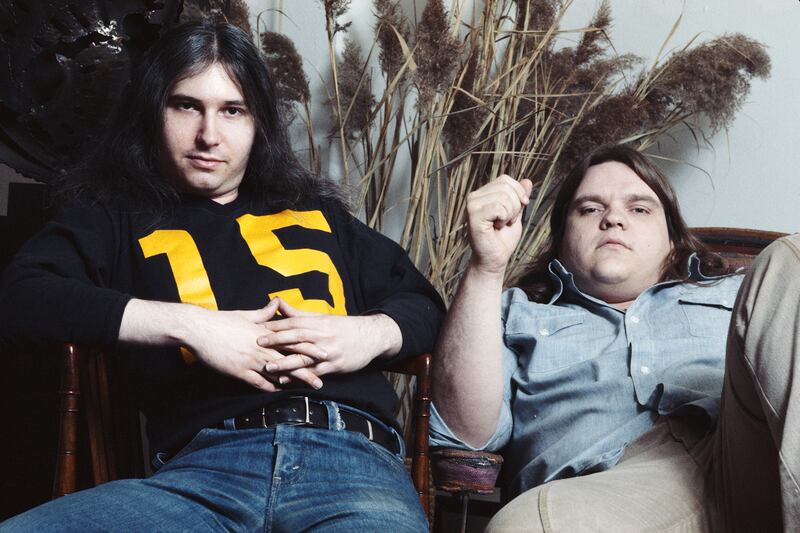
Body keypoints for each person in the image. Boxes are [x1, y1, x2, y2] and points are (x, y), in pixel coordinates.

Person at [0, 21, 443, 532]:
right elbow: (20, 298)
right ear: (153, 113)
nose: (209, 135)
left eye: (233, 110)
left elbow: (426, 305)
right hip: (199, 477)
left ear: (259, 125)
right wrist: (192, 326)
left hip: (352, 466)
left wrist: (367, 334)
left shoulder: (317, 214)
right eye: (187, 106)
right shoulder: (113, 216)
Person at [429, 143, 799, 531]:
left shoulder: (738, 292)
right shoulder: (515, 313)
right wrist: (487, 267)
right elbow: (466, 438)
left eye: (638, 208)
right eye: (590, 209)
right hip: (603, 500)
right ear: (561, 241)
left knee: (791, 258)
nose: (613, 220)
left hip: (744, 463)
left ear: (673, 240)